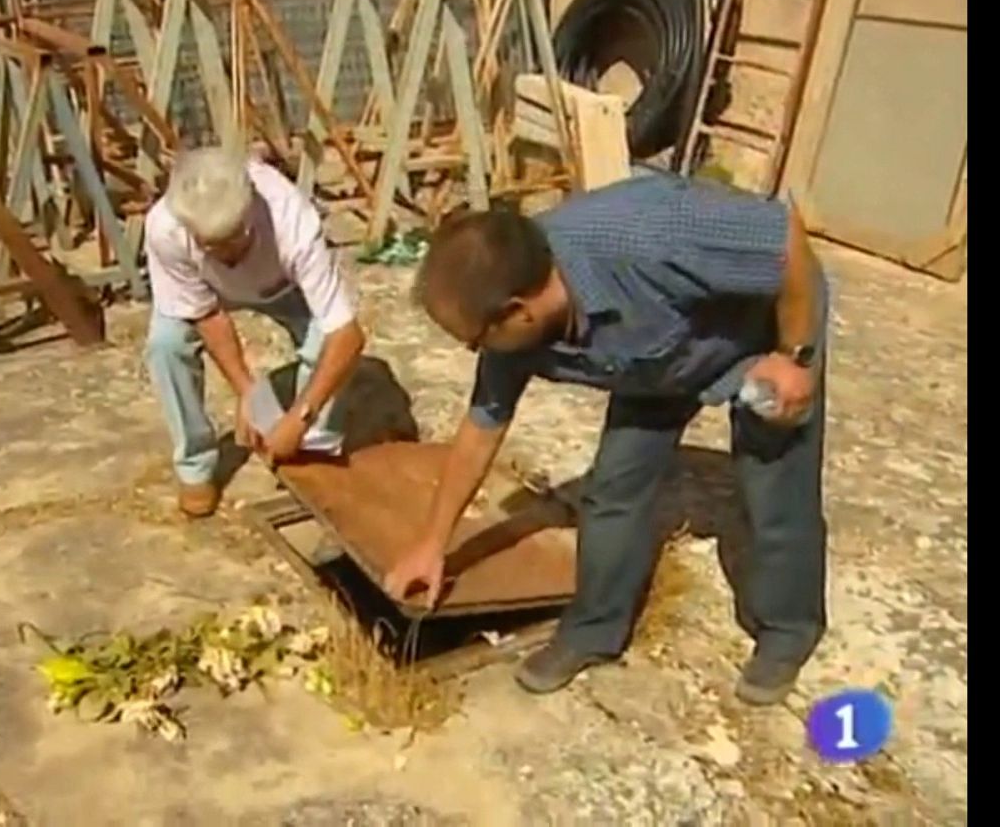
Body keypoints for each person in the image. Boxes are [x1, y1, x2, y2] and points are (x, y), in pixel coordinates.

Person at [383, 171, 830, 705]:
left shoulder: (649, 231)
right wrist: (433, 546)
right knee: (613, 490)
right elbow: (483, 425)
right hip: (653, 360)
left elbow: (784, 240)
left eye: (475, 341)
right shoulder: (511, 325)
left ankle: (787, 631)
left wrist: (796, 356)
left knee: (774, 487)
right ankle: (594, 631)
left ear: (517, 312)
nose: (473, 353)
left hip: (759, 334)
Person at [143, 146, 366, 518]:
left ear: (249, 215)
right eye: (209, 247)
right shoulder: (165, 226)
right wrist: (246, 390)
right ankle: (195, 465)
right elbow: (204, 312)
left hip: (280, 285)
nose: (224, 256)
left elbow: (347, 334)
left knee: (322, 344)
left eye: (232, 241)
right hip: (208, 292)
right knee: (166, 345)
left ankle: (312, 449)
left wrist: (299, 417)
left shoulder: (291, 219)